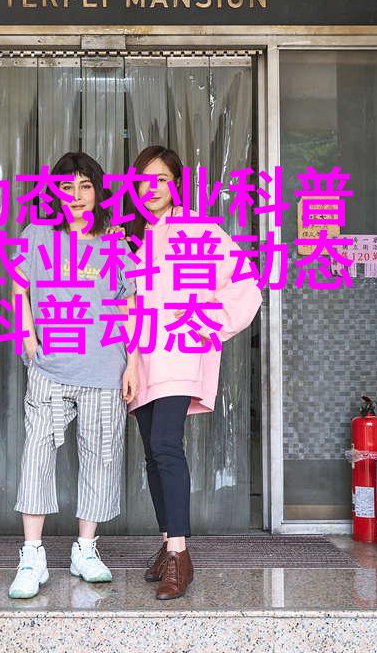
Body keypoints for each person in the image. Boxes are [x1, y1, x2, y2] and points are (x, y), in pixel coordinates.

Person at [126, 145, 262, 600]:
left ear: (177, 184)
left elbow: (246, 286)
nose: (152, 188)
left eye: (161, 179)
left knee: (167, 447)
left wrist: (203, 323)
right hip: (139, 358)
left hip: (178, 356)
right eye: (144, 180)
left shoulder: (200, 231)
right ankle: (168, 543)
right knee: (152, 453)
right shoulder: (131, 237)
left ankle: (180, 556)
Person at [8, 152, 138, 599]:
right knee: (36, 455)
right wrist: (29, 342)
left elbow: (129, 304)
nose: (77, 196)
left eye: (86, 186)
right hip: (49, 368)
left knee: (101, 456)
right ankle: (32, 555)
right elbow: (19, 289)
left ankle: (85, 549)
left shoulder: (115, 242)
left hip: (104, 368)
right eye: (67, 187)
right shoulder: (37, 234)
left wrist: (133, 363)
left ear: (98, 192)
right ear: (55, 192)